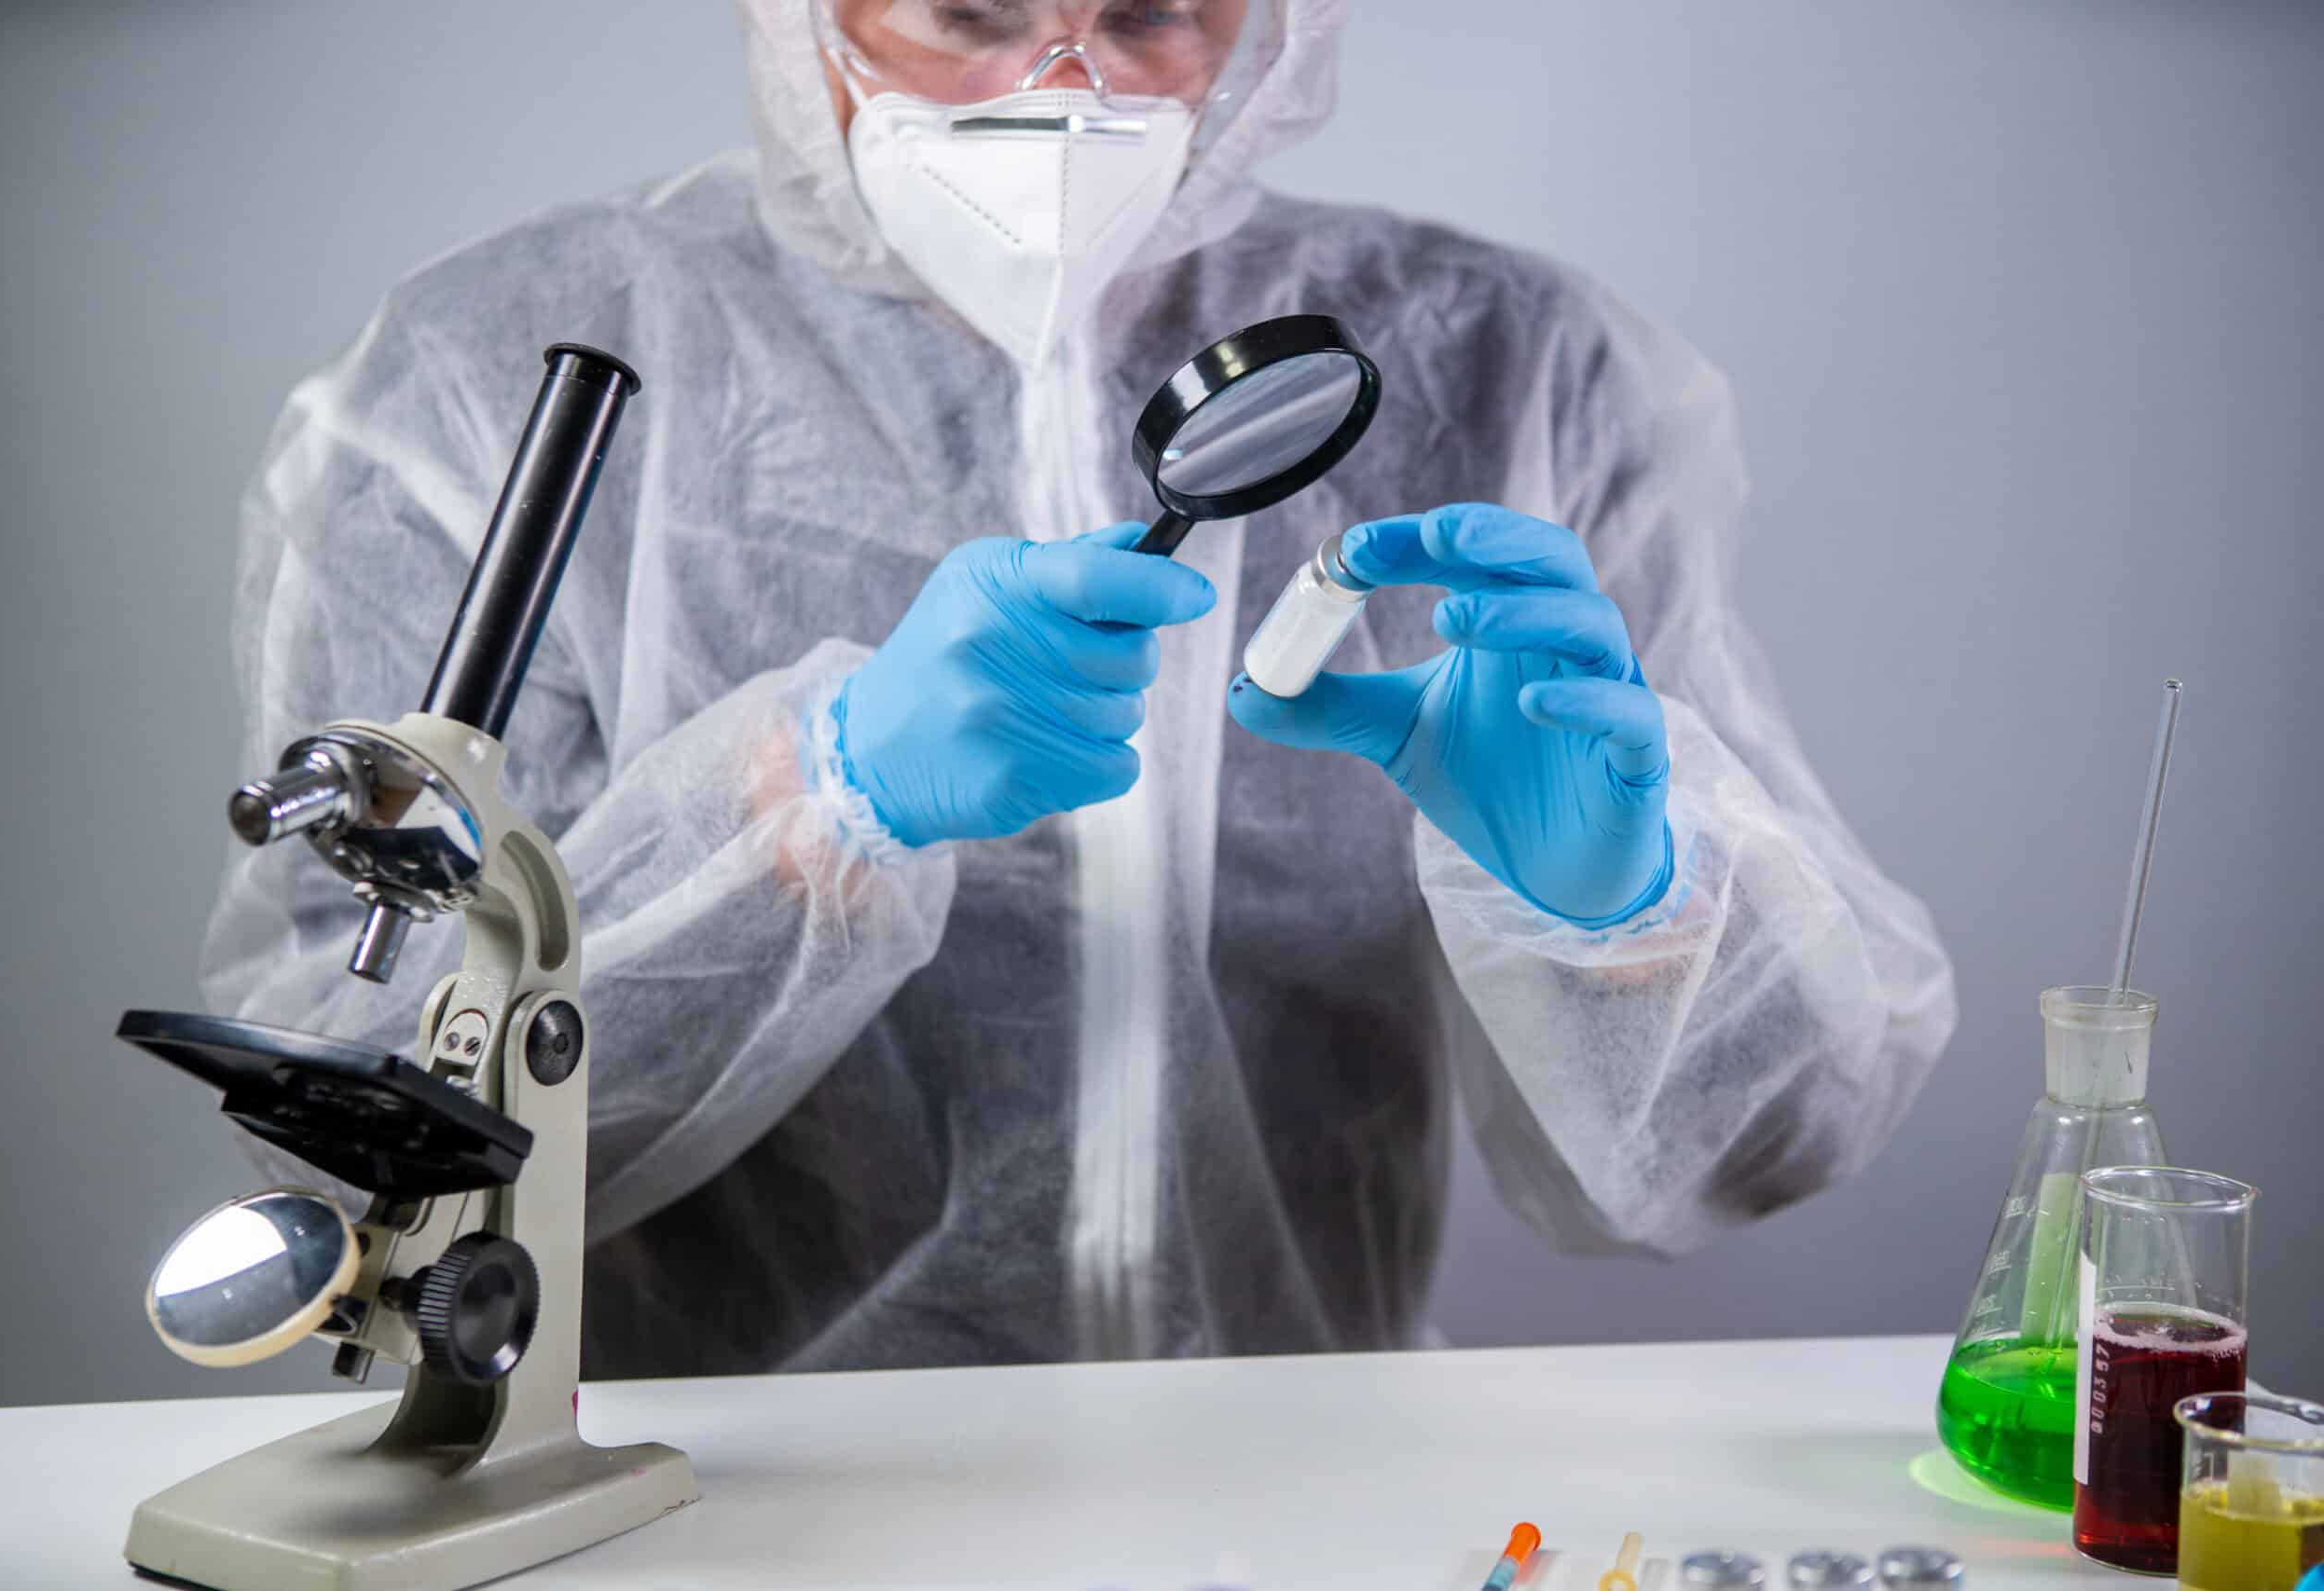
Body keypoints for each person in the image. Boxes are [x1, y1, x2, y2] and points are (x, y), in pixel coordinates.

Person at [203, 0, 1956, 1376]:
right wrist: (800, 808)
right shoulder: (492, 381)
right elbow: (351, 1132)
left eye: (1149, 12)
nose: (1066, 86)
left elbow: (1759, 1152)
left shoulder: (1506, 368)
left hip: (1289, 1475)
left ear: (1272, 30)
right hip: (728, 1494)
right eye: (964, 10)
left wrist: (1637, 920)